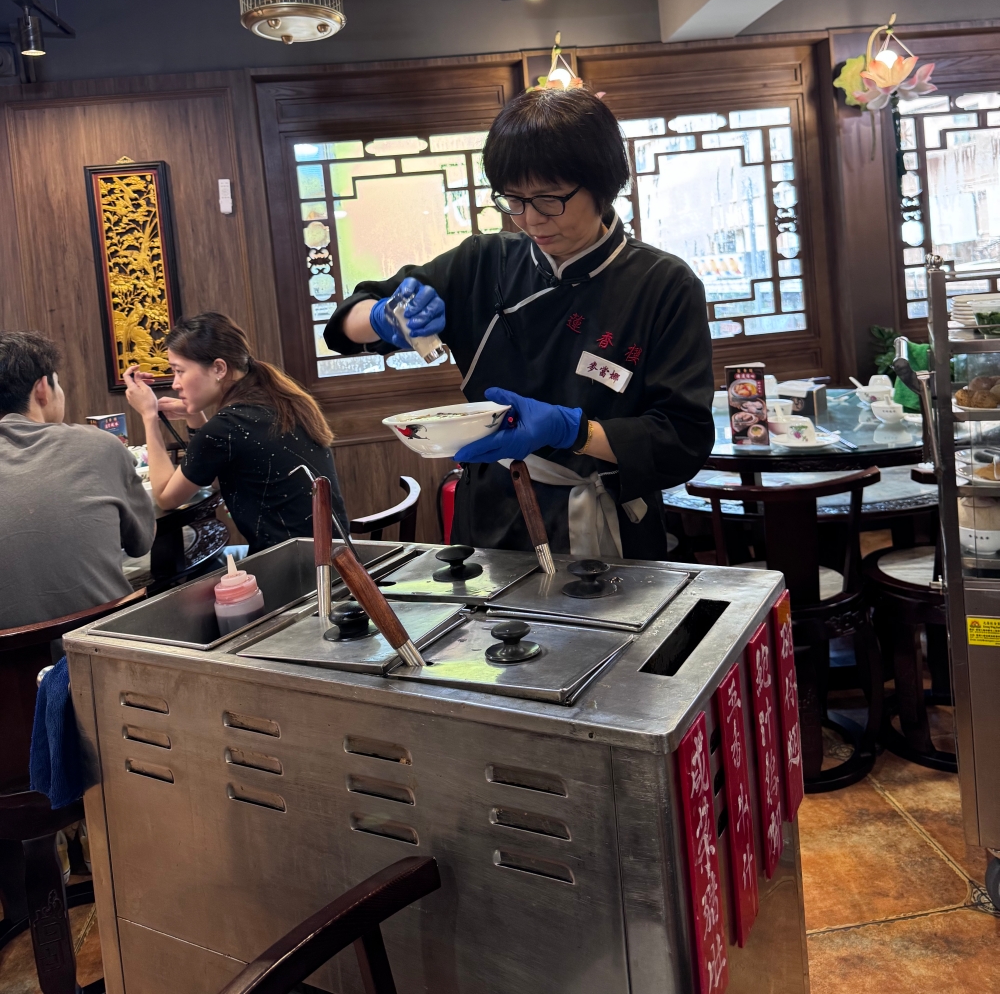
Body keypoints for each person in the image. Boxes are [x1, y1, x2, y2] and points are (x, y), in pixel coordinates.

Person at [324, 87, 715, 559]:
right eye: (514, 199)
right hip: (493, 513)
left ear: (603, 184)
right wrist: (387, 316)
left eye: (549, 199)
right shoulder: (483, 262)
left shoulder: (663, 283)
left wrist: (573, 431)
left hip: (610, 518)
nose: (530, 219)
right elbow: (346, 326)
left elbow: (683, 440)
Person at [123, 312, 347, 554]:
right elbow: (221, 468)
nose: (176, 384)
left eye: (179, 371)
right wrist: (193, 415)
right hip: (334, 558)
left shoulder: (227, 426)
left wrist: (148, 416)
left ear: (219, 368)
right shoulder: (279, 400)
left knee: (199, 573)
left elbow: (166, 497)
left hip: (295, 569)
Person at [0, 332, 155, 629]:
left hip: (10, 669)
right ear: (43, 388)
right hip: (103, 651)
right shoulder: (100, 446)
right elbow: (141, 542)